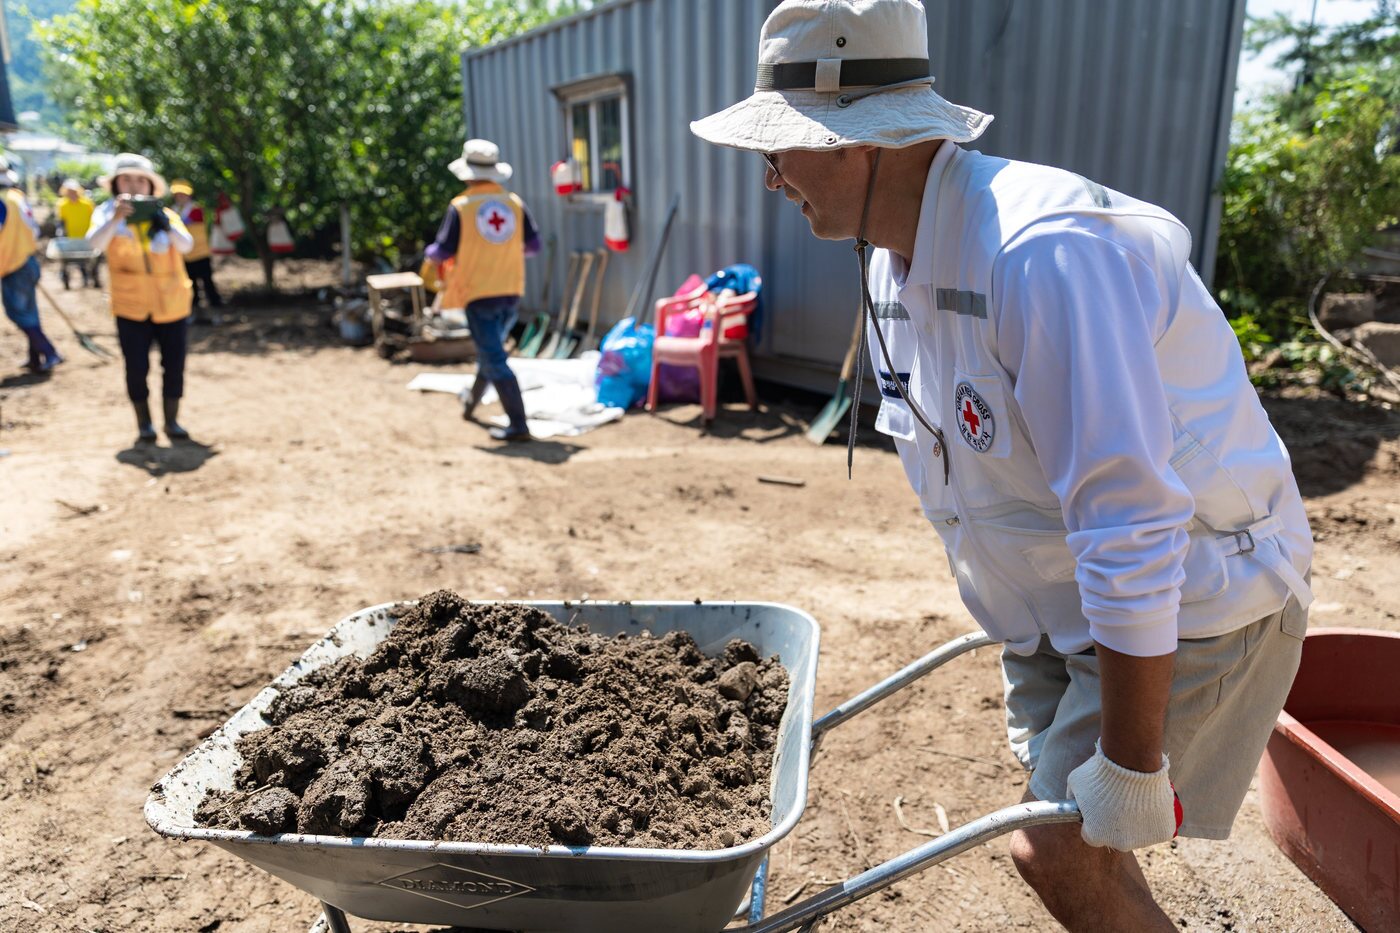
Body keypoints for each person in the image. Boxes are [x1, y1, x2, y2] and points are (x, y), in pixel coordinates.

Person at [691, 2, 1313, 929]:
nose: (772, 177)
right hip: (1063, 610)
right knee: (1075, 845)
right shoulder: (891, 262)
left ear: (858, 140)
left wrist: (1132, 762)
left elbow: (1129, 517)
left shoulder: (1043, 254)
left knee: (1056, 849)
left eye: (780, 149)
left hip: (1194, 594)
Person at [425, 138, 541, 441]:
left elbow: (442, 251)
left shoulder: (461, 207)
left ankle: (519, 425)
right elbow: (533, 247)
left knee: (494, 357)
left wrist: (429, 255)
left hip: (478, 293)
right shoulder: (514, 203)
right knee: (490, 351)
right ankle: (470, 405)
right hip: (511, 290)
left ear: (467, 173)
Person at [87, 153, 196, 444]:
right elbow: (95, 243)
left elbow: (186, 246)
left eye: (140, 180)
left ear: (150, 186)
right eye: (126, 179)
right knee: (136, 367)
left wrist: (166, 225)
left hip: (172, 303)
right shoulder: (106, 214)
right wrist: (116, 219)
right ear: (115, 185)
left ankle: (171, 421)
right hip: (130, 305)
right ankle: (144, 424)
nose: (134, 185)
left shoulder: (167, 214)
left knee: (174, 366)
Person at [0, 157, 61, 372]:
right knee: (29, 312)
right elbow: (33, 230)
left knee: (19, 313)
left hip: (12, 264)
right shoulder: (16, 196)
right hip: (26, 260)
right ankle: (35, 358)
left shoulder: (2, 201)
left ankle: (49, 352)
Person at [169, 179, 222, 318]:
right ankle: (194, 312)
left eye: (183, 194)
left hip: (201, 253)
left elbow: (187, 222)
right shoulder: (172, 211)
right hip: (184, 255)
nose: (180, 197)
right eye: (178, 194)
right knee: (190, 285)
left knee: (207, 282)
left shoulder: (195, 209)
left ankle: (216, 312)